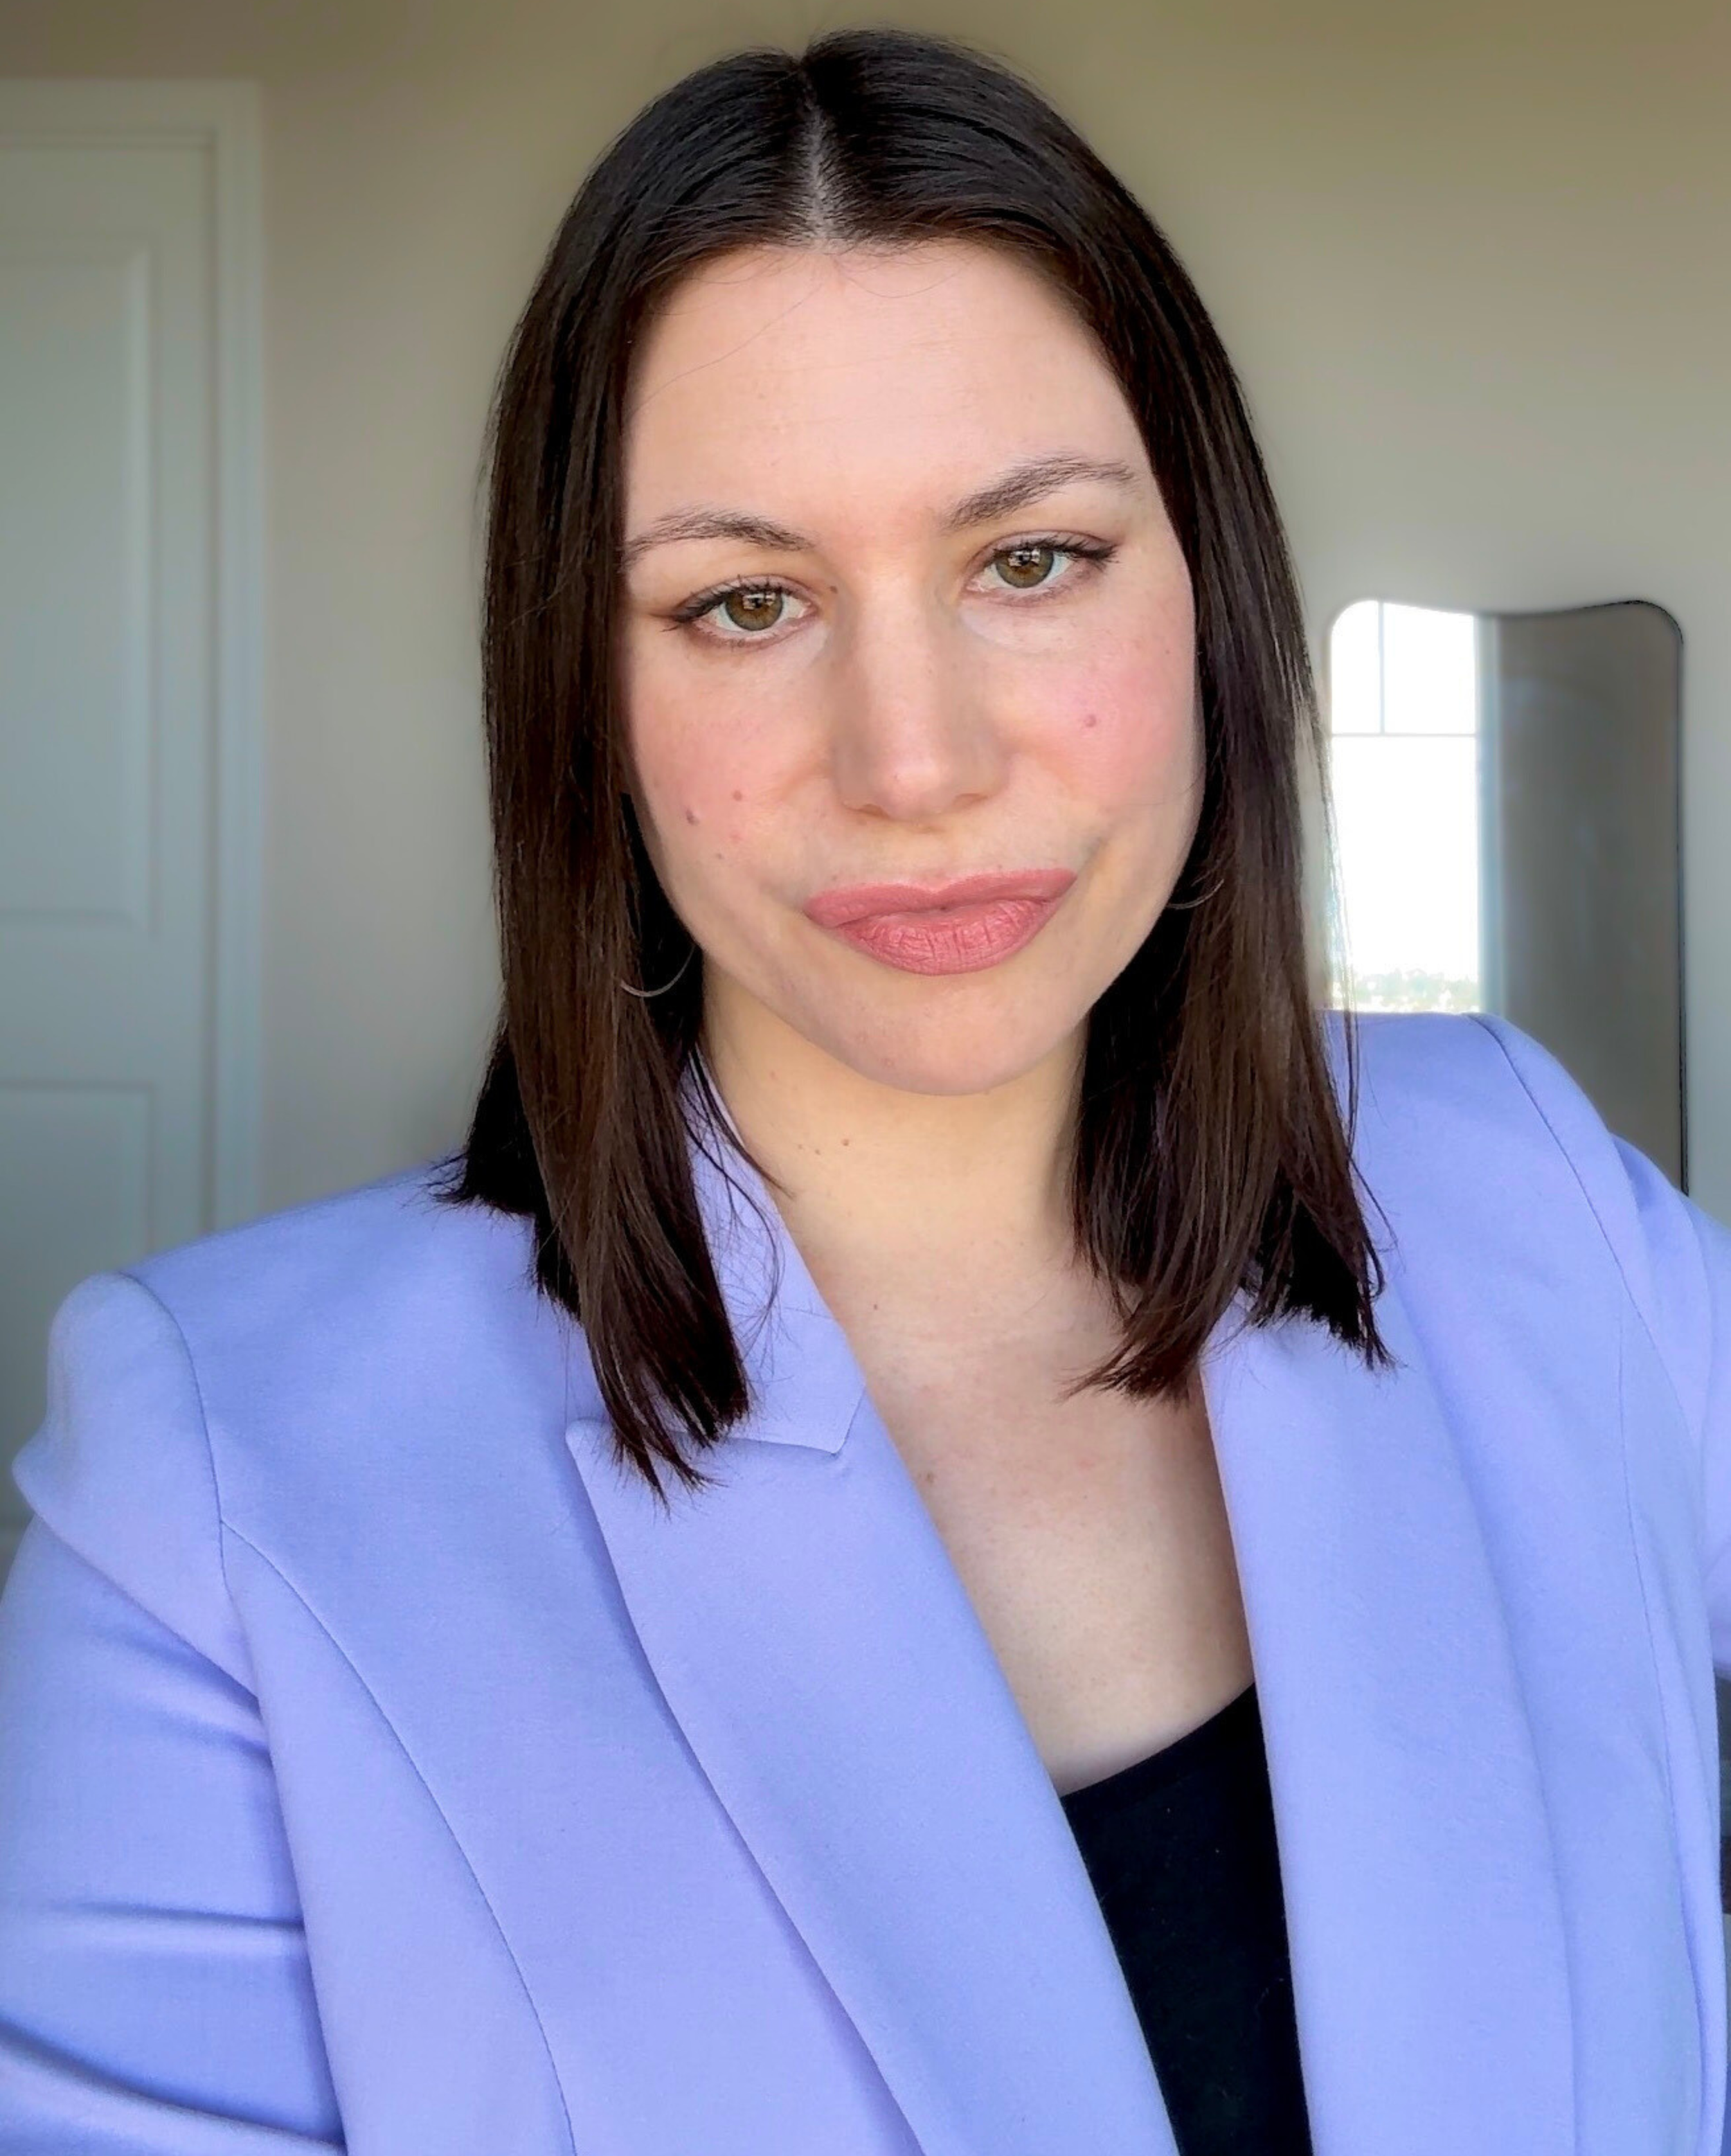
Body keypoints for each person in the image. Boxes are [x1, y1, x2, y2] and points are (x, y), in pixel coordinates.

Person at [1, 26, 1726, 2156]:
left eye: (1031, 562)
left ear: (1208, 594)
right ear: (586, 696)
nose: (913, 762)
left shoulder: (1538, 1193)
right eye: (743, 602)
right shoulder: (219, 1484)